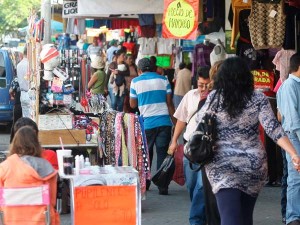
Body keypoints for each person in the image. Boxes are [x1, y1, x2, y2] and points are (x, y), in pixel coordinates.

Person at [195, 57, 300, 225]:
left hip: (222, 165)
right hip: (253, 165)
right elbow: (273, 128)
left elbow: (200, 123)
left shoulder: (214, 97)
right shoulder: (257, 98)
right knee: (245, 218)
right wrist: (293, 153)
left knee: (230, 217)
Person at [168, 66, 211, 225]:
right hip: (189, 148)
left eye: (208, 85)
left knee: (201, 186)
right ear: (196, 84)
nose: (204, 89)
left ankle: (197, 220)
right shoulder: (190, 96)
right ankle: (203, 213)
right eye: (201, 85)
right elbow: (181, 119)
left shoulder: (217, 98)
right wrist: (174, 141)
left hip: (207, 150)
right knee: (192, 186)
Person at [130, 58, 176, 195]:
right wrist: (174, 122)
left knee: (147, 154)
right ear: (153, 68)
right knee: (162, 153)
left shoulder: (135, 81)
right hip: (164, 122)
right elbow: (169, 103)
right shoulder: (164, 80)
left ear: (139, 70)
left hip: (147, 123)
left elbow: (132, 105)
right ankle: (163, 186)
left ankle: (147, 183)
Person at [0, 126, 60, 224]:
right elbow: (52, 201)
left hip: (10, 220)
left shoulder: (4, 167)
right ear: (36, 144)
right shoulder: (47, 167)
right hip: (42, 220)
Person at [277, 53, 300, 225]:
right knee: (295, 177)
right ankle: (293, 217)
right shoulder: (290, 86)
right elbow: (292, 120)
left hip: (295, 135)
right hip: (294, 136)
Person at [17, 46, 30, 118]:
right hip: (30, 93)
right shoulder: (30, 65)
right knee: (31, 118)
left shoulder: (19, 65)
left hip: (23, 94)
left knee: (25, 117)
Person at [9, 77, 22, 142]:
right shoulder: (29, 77)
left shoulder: (15, 80)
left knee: (15, 123)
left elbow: (10, 91)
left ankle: (12, 140)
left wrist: (13, 96)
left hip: (18, 104)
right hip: (28, 104)